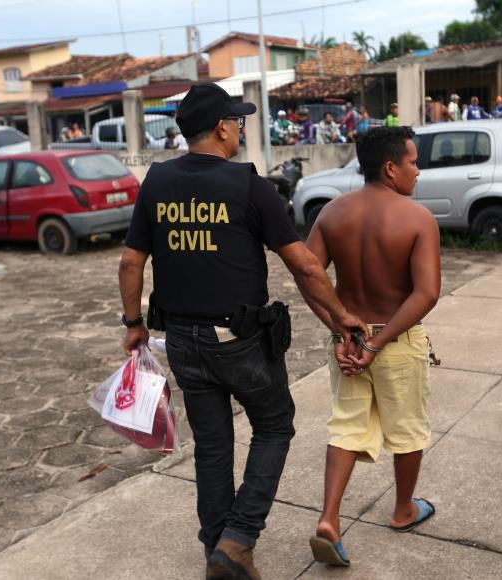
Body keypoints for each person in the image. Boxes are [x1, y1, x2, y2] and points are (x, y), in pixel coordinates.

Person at [118, 82, 366, 580]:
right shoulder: (250, 186)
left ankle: (219, 548)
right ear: (221, 128)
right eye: (237, 121)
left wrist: (134, 325)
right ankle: (237, 540)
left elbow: (130, 263)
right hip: (239, 340)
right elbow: (305, 266)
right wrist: (342, 317)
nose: (240, 129)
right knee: (274, 425)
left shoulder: (157, 182)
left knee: (212, 447)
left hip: (182, 340)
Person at [303, 126, 441, 567]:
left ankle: (329, 518)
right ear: (391, 167)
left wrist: (340, 330)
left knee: (346, 427)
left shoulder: (331, 213)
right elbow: (426, 293)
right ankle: (403, 510)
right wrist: (378, 344)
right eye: (413, 162)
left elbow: (308, 276)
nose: (418, 171)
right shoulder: (417, 218)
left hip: (349, 342)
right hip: (394, 341)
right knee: (408, 429)